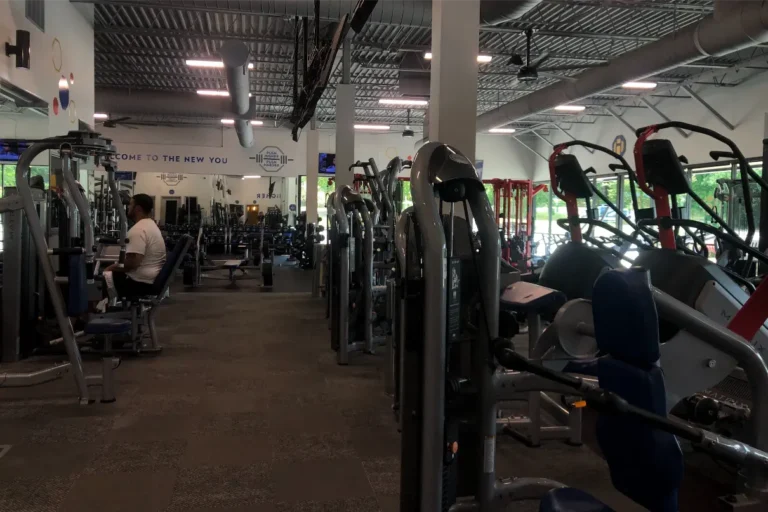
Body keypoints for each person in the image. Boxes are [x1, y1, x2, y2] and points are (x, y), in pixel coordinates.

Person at [104, 193, 166, 297]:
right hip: (150, 279)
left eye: (130, 204)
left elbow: (132, 264)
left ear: (137, 209)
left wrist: (110, 267)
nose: (128, 207)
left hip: (139, 283)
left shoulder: (138, 229)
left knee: (104, 275)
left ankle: (101, 308)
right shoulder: (151, 225)